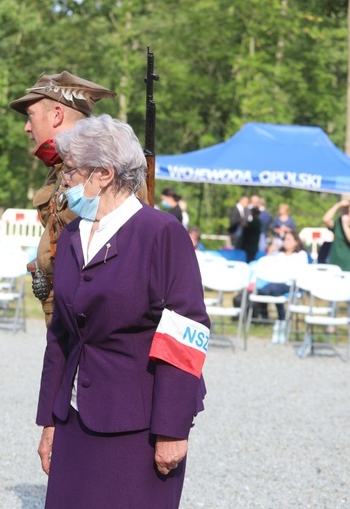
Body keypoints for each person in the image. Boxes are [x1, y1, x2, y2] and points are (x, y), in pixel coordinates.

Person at [36, 115, 208, 508]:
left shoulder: (160, 233)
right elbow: (61, 334)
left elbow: (185, 333)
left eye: (71, 171)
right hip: (75, 418)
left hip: (138, 425)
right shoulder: (75, 234)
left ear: (104, 173)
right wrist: (49, 418)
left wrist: (172, 428)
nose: (64, 181)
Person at [9, 70, 118, 325]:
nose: (27, 127)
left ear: (57, 115)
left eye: (31, 116)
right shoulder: (60, 167)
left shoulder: (99, 168)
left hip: (87, 315)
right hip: (62, 308)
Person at [256, 231, 309, 343]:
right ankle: (280, 319)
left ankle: (281, 320)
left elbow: (300, 273)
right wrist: (271, 251)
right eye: (285, 239)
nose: (286, 242)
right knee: (263, 290)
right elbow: (266, 265)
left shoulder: (300, 255)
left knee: (274, 289)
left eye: (289, 240)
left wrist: (286, 275)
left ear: (296, 242)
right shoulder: (279, 254)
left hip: (291, 284)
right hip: (275, 282)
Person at [323, 200, 350, 273]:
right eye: (344, 210)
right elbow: (326, 219)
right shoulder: (337, 224)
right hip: (334, 264)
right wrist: (338, 205)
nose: (346, 213)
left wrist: (345, 224)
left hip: (349, 266)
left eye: (348, 211)